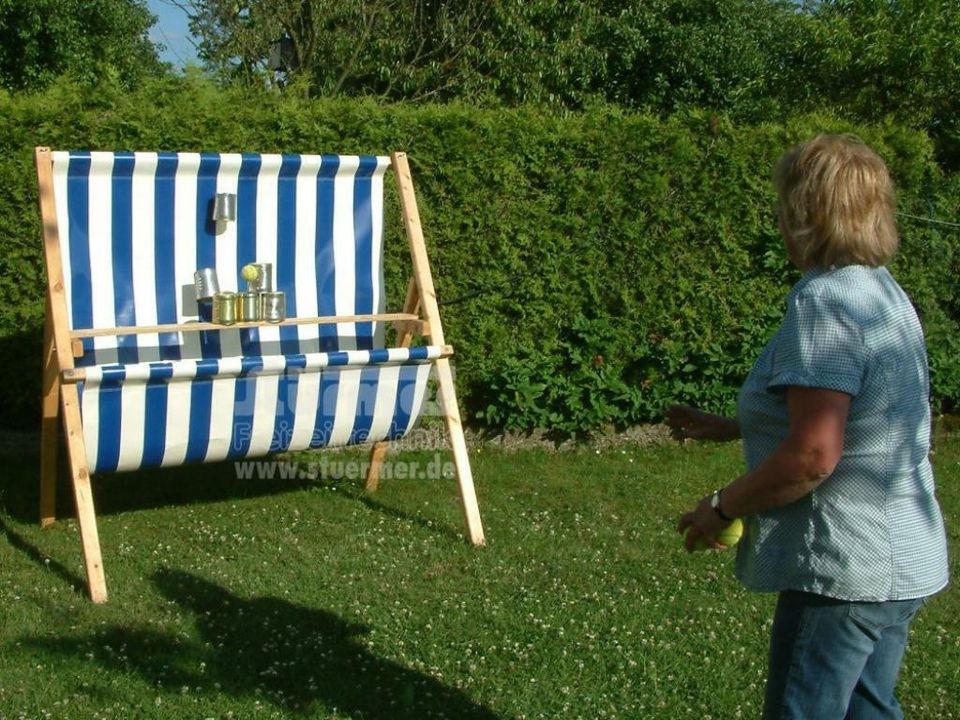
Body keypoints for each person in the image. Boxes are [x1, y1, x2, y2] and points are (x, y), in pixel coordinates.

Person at [670, 134, 949, 720]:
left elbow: (814, 455)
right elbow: (861, 416)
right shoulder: (883, 292)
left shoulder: (825, 302)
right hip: (903, 561)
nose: (777, 217)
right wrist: (732, 426)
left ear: (808, 214)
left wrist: (720, 506)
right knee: (869, 711)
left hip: (845, 572)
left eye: (784, 204)